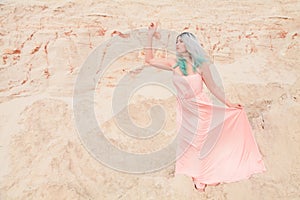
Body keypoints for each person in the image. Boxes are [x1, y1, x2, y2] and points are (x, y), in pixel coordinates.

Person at [145, 22, 266, 192]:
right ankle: (195, 174)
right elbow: (149, 60)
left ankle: (204, 175)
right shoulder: (173, 62)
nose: (177, 44)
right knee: (187, 144)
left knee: (200, 142)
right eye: (177, 42)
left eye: (181, 41)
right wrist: (150, 35)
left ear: (189, 45)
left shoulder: (201, 66)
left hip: (201, 109)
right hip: (185, 110)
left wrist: (229, 104)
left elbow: (214, 87)